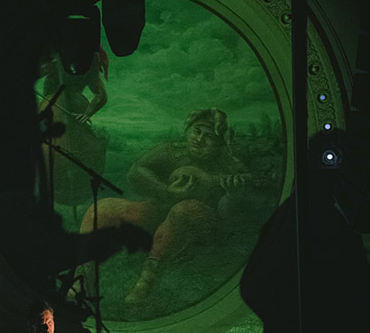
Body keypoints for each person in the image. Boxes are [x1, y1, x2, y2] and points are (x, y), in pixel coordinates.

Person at [80, 107, 252, 303]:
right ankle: (84, 275)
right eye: (197, 131)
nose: (199, 139)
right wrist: (165, 191)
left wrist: (233, 194)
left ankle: (147, 282)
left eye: (209, 136)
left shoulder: (230, 166)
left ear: (220, 141)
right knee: (103, 209)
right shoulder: (172, 151)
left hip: (201, 229)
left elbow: (238, 215)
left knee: (183, 209)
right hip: (161, 214)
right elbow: (136, 171)